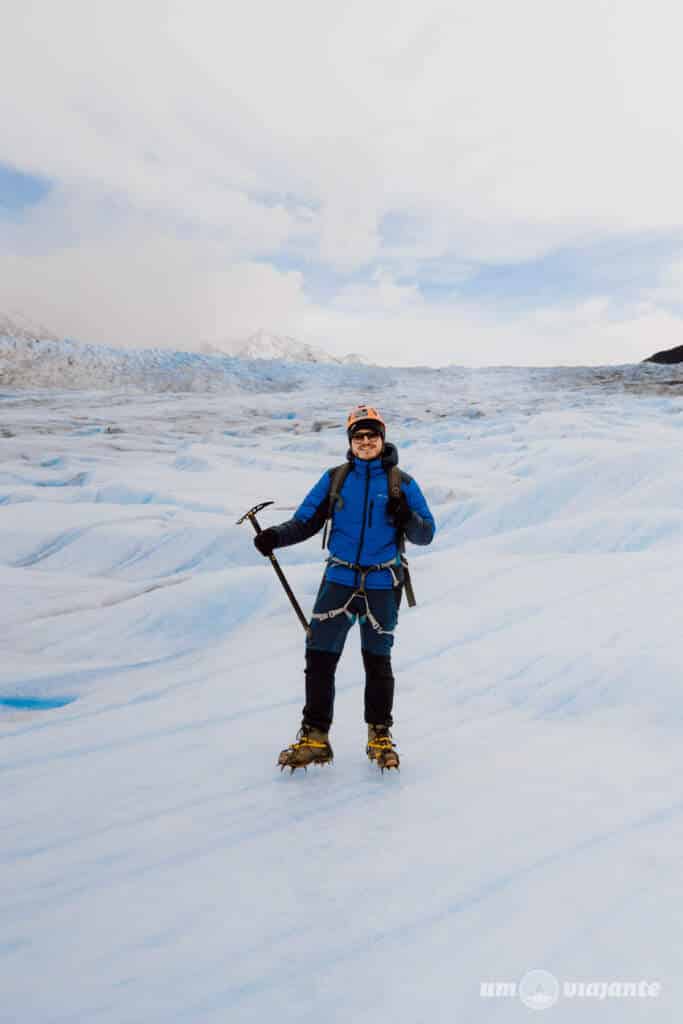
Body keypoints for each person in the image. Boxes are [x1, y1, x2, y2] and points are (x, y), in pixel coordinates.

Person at [253, 405, 436, 771]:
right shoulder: (335, 478)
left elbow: (425, 533)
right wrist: (275, 536)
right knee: (319, 659)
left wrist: (407, 518)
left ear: (382, 438)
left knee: (377, 663)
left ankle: (379, 736)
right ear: (351, 442)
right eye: (358, 437)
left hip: (383, 582)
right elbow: (306, 520)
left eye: (371, 436)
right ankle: (315, 738)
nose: (365, 442)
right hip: (339, 578)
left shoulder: (403, 483)